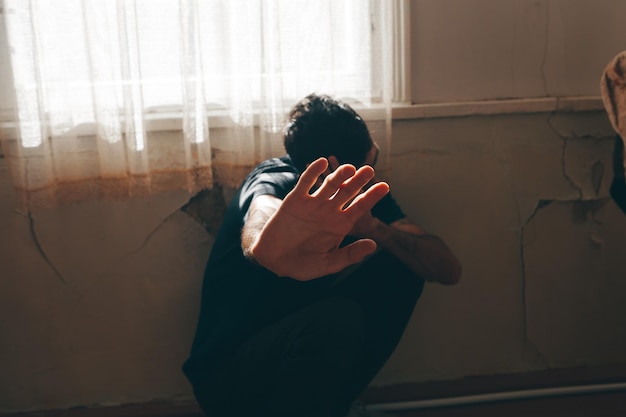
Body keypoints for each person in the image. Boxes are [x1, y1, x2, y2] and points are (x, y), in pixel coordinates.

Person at [182, 93, 462, 417]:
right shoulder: (275, 179)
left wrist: (375, 229)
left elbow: (448, 270)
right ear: (337, 167)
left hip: (295, 361)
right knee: (336, 319)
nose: (373, 171)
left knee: (403, 265)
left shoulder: (362, 193)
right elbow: (262, 210)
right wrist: (265, 243)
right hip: (229, 382)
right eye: (370, 162)